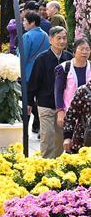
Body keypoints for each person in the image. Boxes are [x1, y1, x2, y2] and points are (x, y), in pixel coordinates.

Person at [27, 26, 72, 158]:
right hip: (45, 104)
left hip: (62, 107)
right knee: (47, 137)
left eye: (64, 38)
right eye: (58, 38)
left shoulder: (69, 58)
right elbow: (34, 81)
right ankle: (45, 167)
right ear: (50, 40)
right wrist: (29, 102)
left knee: (59, 139)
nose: (62, 41)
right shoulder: (42, 59)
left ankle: (56, 166)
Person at [19, 11, 50, 134]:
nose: (23, 24)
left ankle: (25, 127)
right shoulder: (45, 35)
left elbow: (23, 56)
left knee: (27, 100)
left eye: (25, 21)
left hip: (28, 72)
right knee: (38, 99)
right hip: (43, 72)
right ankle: (38, 124)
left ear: (32, 23)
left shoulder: (27, 36)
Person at [55, 38, 90, 133]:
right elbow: (58, 91)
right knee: (69, 143)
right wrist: (60, 111)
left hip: (88, 114)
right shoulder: (64, 68)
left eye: (87, 49)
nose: (85, 52)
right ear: (74, 51)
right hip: (69, 113)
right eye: (81, 49)